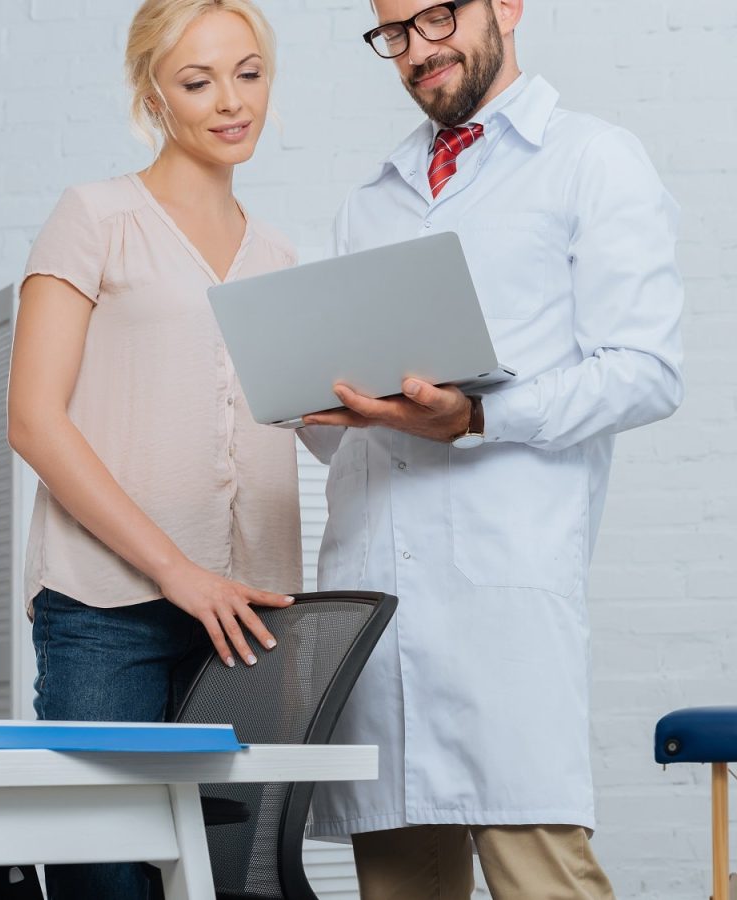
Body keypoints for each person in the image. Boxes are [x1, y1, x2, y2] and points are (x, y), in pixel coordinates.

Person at [299, 0, 683, 897]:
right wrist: (329, 413)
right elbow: (364, 449)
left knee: (542, 872)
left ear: (505, 6)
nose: (419, 50)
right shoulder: (372, 202)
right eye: (394, 33)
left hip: (505, 607)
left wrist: (477, 419)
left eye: (437, 17)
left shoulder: (592, 159)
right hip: (380, 618)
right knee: (398, 885)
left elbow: (647, 372)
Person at [7, 1, 302, 897]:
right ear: (153, 94)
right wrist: (175, 570)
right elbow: (33, 419)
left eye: (248, 73)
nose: (230, 101)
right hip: (107, 616)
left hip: (249, 625)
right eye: (197, 80)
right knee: (107, 881)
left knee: (232, 878)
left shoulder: (281, 258)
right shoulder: (95, 217)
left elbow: (294, 423)